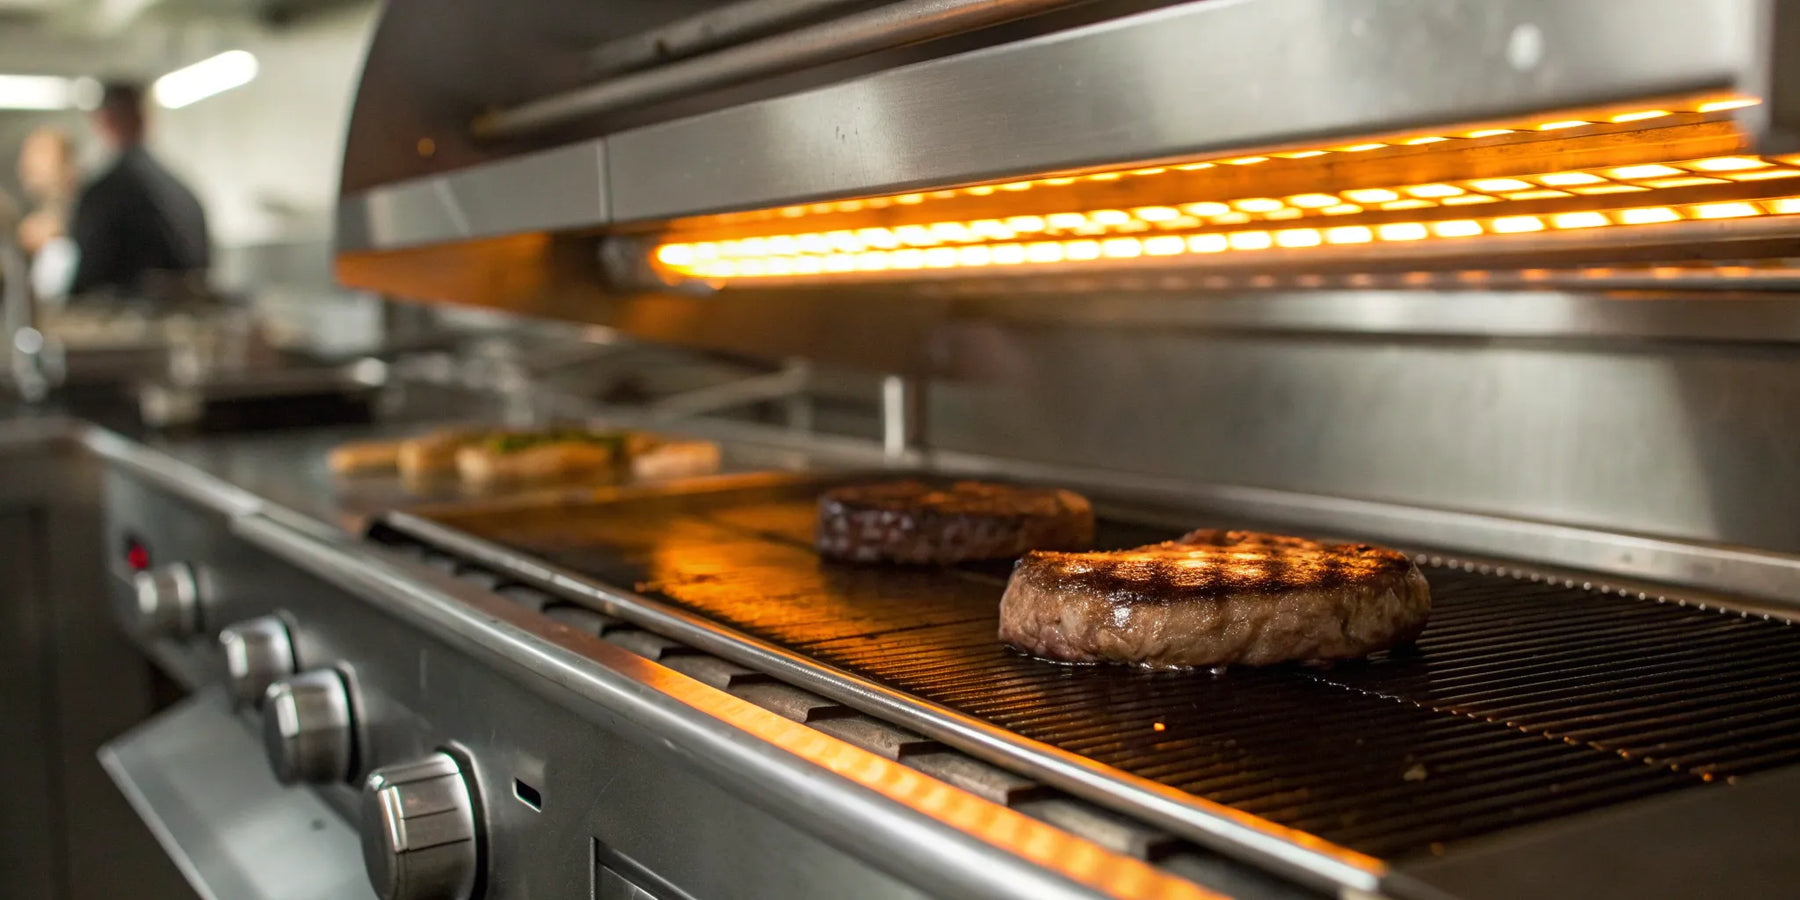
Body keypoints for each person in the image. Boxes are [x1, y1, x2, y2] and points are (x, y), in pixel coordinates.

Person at [60, 82, 210, 302]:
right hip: (187, 323)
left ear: (104, 121)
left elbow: (88, 276)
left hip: (121, 325)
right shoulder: (183, 191)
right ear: (147, 119)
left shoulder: (102, 194)